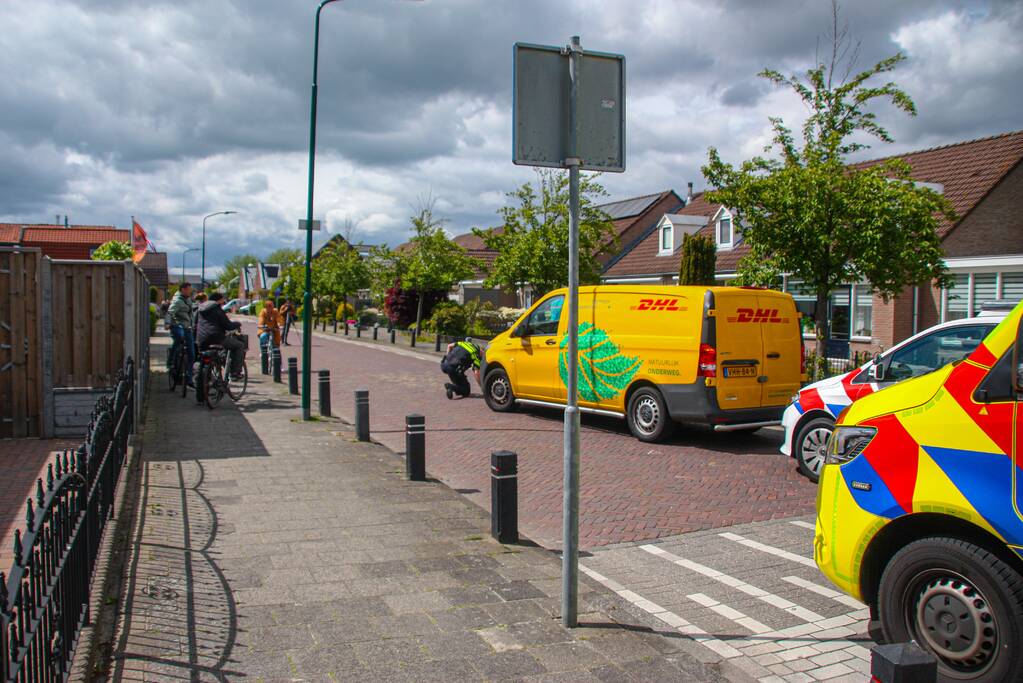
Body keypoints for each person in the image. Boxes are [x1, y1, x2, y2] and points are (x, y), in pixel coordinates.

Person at [197, 292, 245, 381]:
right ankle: (235, 373)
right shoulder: (217, 309)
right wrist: (237, 324)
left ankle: (204, 378)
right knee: (239, 346)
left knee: (204, 358)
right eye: (222, 301)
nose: (223, 303)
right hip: (216, 337)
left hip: (201, 338)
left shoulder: (199, 309)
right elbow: (228, 325)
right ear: (218, 301)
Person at [167, 283, 195, 385]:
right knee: (178, 339)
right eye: (188, 290)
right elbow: (170, 312)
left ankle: (189, 378)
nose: (190, 291)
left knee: (192, 354)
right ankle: (171, 361)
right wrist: (168, 323)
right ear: (183, 289)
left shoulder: (188, 299)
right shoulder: (177, 300)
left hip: (188, 328)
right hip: (178, 326)